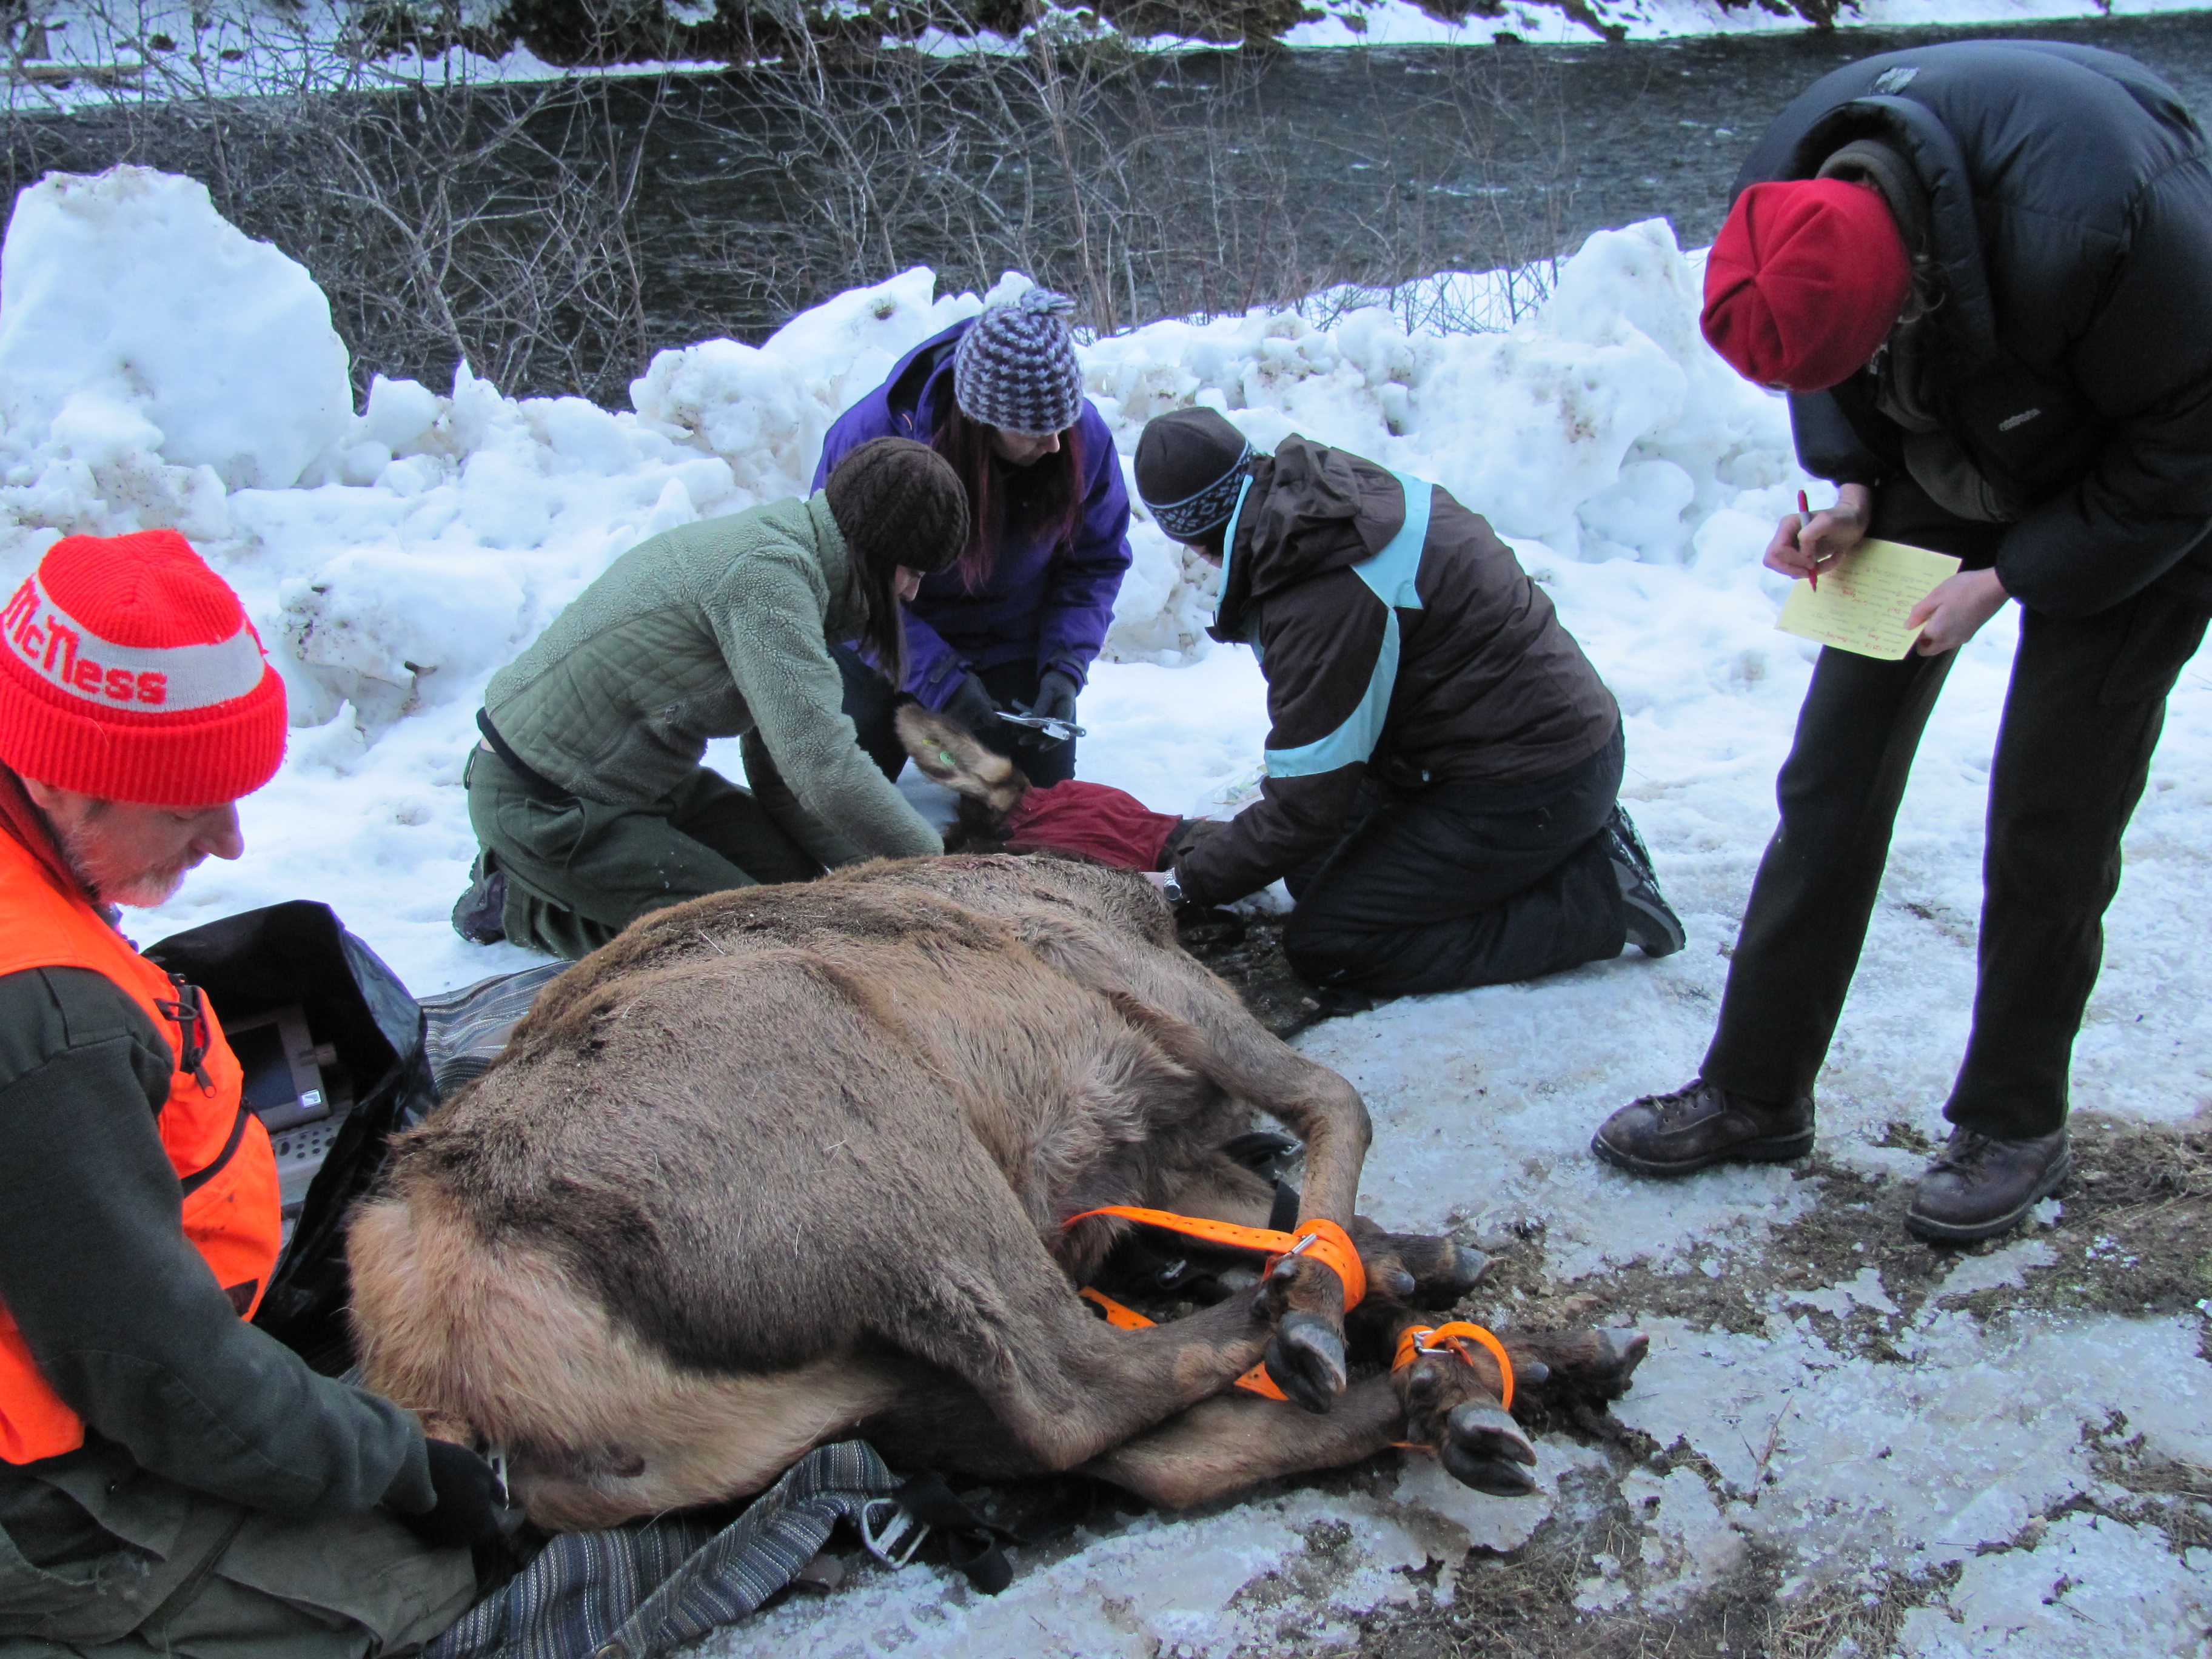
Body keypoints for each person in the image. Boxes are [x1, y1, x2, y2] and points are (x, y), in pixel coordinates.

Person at [1591, 40, 2212, 1243]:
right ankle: (1753, 1091)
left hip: (2153, 473)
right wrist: (1855, 487)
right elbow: (1824, 366)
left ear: (1913, 287)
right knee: (1831, 772)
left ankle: (2013, 1119)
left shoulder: (2123, 228)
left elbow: (2190, 450)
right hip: (1952, 416)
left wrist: (2013, 573)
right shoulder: (1792, 194)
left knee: (2053, 806)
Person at [0, 531, 498, 1656]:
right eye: (187, 810)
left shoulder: (26, 847)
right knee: (417, 1583)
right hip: (37, 1494)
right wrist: (404, 1468)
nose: (228, 843)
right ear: (71, 780)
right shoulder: (45, 1023)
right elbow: (160, 1380)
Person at [1131, 407, 1683, 997]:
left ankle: (1594, 898)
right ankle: (1557, 847)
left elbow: (1306, 807)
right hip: (1523, 738)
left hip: (1533, 778)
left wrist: (1182, 887)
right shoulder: (1325, 495)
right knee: (1315, 869)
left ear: (1192, 539)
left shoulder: (1317, 591)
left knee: (1332, 943)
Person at [454, 437, 967, 959]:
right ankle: (521, 901)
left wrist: (882, 877)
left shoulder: (801, 568)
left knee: (806, 898)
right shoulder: (766, 579)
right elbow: (824, 768)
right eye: (913, 573)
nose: (911, 595)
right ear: (873, 550)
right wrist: (939, 876)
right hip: (545, 801)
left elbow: (782, 773)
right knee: (751, 941)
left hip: (640, 780)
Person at [811, 286, 1132, 788]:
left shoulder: (1079, 436)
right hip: (887, 636)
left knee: (1036, 798)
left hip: (1008, 640)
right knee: (844, 792)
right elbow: (844, 580)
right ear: (982, 422)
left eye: (1062, 426)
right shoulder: (873, 442)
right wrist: (937, 676)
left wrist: (1065, 666)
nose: (1053, 445)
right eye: (1034, 431)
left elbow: (1095, 561)